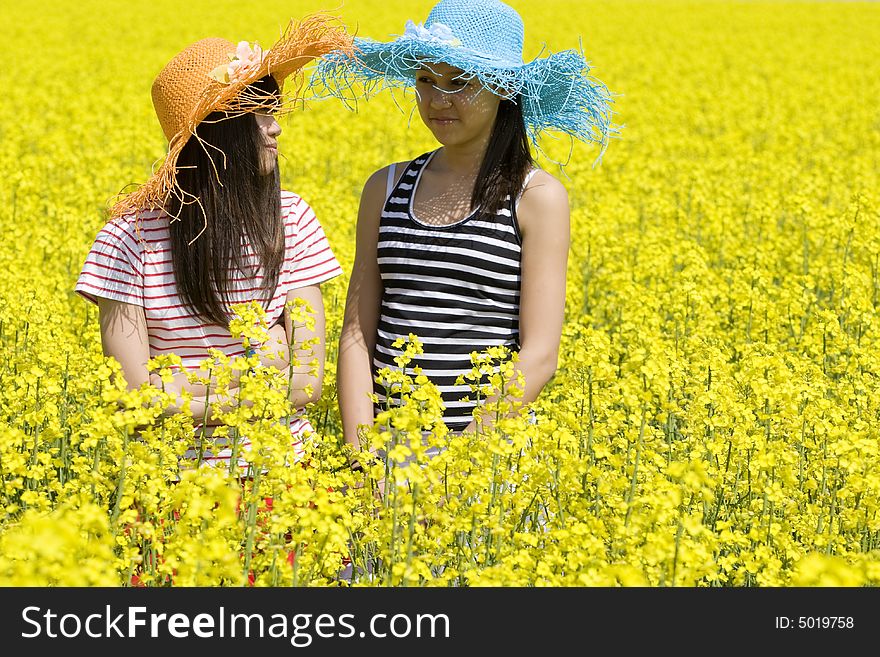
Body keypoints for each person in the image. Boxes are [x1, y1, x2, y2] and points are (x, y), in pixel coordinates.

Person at [316, 0, 616, 459]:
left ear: (504, 88)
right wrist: (362, 454)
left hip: (484, 463)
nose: (438, 100)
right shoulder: (387, 186)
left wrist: (457, 470)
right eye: (425, 81)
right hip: (386, 456)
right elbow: (357, 333)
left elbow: (539, 357)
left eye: (460, 82)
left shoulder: (536, 197)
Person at [75, 17, 353, 471]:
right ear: (213, 133)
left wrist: (179, 386)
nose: (275, 128)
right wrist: (262, 366)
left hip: (283, 481)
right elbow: (132, 401)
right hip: (172, 488)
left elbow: (306, 382)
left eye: (273, 110)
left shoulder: (293, 219)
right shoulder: (128, 239)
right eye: (256, 114)